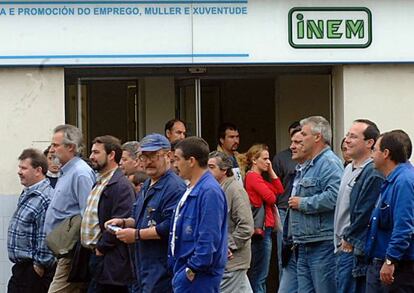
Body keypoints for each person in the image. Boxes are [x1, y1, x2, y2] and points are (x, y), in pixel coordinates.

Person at [105, 133, 186, 292]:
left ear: (168, 155)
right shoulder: (148, 182)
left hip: (161, 270)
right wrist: (122, 222)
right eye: (144, 157)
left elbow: (171, 226)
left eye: (154, 156)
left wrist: (136, 235)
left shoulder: (174, 187)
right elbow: (138, 217)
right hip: (141, 267)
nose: (148, 161)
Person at [288, 116, 343, 293]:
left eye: (304, 134)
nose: (300, 138)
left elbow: (335, 196)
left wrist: (303, 203)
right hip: (305, 243)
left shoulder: (329, 163)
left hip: (322, 244)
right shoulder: (307, 165)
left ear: (318, 136)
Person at [169, 136, 228, 292]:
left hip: (198, 277)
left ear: (191, 161)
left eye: (177, 159)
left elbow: (209, 237)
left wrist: (192, 269)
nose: (175, 165)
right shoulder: (191, 188)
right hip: (185, 271)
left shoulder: (209, 191)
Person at [334, 119, 384, 293]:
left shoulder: (372, 172)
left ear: (370, 142)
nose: (346, 140)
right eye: (347, 135)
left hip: (353, 249)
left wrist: (348, 238)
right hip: (342, 247)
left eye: (353, 136)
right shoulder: (348, 168)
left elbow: (365, 213)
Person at [44, 124, 96, 292]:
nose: (51, 150)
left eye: (56, 145)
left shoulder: (80, 173)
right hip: (62, 252)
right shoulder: (67, 171)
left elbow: (87, 214)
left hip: (72, 253)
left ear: (71, 147)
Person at [81, 135, 135, 292]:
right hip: (95, 258)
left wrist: (101, 248)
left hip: (109, 261)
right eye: (91, 152)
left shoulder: (121, 185)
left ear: (111, 155)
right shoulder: (99, 181)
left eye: (97, 152)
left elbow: (119, 221)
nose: (91, 157)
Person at [365, 130, 414, 292]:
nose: (371, 155)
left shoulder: (404, 181)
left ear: (386, 153)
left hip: (399, 269)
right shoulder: (391, 180)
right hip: (381, 262)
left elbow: (404, 226)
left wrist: (390, 260)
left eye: (374, 150)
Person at [7, 149, 56, 293]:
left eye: (24, 168)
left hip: (34, 272)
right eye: (19, 167)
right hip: (22, 269)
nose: (19, 172)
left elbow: (46, 234)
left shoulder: (45, 197)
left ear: (38, 170)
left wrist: (39, 266)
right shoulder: (29, 193)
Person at [208, 151, 254, 293]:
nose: (207, 171)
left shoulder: (235, 190)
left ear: (224, 170)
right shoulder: (217, 189)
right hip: (227, 262)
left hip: (233, 261)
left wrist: (228, 245)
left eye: (211, 167)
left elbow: (246, 226)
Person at [245, 144, 284, 293]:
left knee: (260, 273)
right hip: (260, 231)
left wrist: (271, 171)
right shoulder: (253, 178)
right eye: (265, 159)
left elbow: (279, 190)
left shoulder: (258, 178)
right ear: (254, 160)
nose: (268, 162)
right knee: (259, 275)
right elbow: (272, 198)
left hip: (265, 229)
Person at [278, 127, 306, 293]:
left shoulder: (326, 165)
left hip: (308, 244)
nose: (292, 146)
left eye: (297, 142)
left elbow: (332, 198)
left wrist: (303, 203)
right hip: (291, 243)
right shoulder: (299, 170)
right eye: (292, 142)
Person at [272, 121, 300, 280]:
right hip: (283, 208)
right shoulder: (281, 158)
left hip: (301, 210)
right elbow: (275, 186)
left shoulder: (313, 160)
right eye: (292, 139)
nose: (294, 144)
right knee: (284, 254)